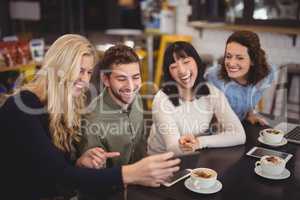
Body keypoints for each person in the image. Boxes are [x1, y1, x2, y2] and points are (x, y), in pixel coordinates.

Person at [0, 34, 180, 200]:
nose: (85, 80)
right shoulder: (22, 106)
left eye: (88, 72)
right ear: (59, 67)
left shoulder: (63, 107)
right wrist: (131, 173)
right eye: (79, 70)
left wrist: (79, 162)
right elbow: (58, 174)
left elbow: (56, 169)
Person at [147, 41, 246, 155]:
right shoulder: (161, 100)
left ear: (197, 62)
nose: (182, 71)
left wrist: (200, 142)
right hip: (161, 163)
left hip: (194, 157)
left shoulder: (212, 92)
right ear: (169, 73)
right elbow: (174, 148)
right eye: (174, 67)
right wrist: (197, 144)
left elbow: (239, 135)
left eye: (186, 62)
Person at [79, 44, 146, 169]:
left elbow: (141, 147)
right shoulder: (91, 120)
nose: (130, 86)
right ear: (106, 80)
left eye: (136, 77)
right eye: (121, 79)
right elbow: (92, 175)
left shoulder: (137, 99)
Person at [205, 30, 276, 125]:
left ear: (253, 60)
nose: (231, 63)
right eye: (228, 56)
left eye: (240, 58)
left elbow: (251, 96)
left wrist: (250, 114)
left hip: (240, 126)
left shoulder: (267, 75)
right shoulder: (213, 77)